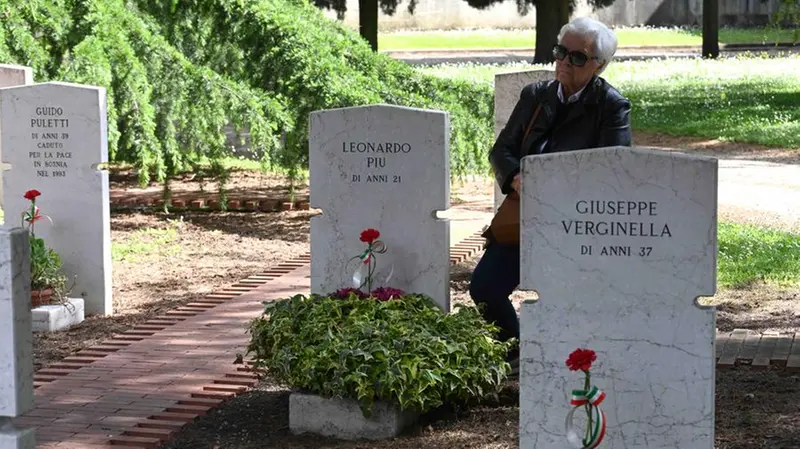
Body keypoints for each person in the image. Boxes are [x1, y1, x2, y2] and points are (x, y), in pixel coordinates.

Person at [469, 17, 632, 376]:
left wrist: (560, 185)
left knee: (564, 302)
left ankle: (566, 367)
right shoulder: (535, 95)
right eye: (561, 52)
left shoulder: (612, 106)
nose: (563, 62)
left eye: (576, 58)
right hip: (525, 216)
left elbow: (612, 172)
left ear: (599, 65)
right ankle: (518, 352)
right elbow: (502, 151)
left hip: (574, 224)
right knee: (484, 288)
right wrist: (515, 178)